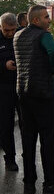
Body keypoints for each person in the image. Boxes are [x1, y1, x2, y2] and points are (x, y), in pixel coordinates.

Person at [13, 5, 54, 194]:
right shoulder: (44, 35)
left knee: (28, 139)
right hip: (44, 93)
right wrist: (53, 72)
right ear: (36, 20)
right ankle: (50, 184)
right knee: (48, 140)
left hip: (23, 93)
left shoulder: (18, 35)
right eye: (46, 17)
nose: (49, 20)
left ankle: (29, 183)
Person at [0, 12, 20, 171]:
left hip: (21, 85)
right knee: (6, 125)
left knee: (27, 124)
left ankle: (28, 156)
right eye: (6, 30)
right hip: (3, 88)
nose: (10, 33)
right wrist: (4, 65)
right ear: (1, 27)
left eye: (13, 30)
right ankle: (10, 158)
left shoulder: (21, 35)